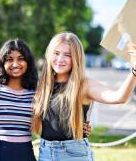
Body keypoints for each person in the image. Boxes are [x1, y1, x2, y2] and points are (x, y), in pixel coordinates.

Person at [33, 31, 136, 161]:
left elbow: (119, 97)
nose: (60, 59)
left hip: (73, 155)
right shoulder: (43, 86)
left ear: (76, 58)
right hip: (45, 153)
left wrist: (134, 71)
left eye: (67, 55)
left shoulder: (84, 85)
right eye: (56, 53)